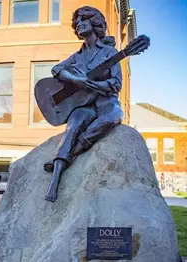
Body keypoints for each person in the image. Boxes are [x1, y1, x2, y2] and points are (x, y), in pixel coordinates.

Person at [44, 6, 124, 202]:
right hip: (85, 105)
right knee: (73, 124)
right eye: (77, 22)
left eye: (83, 21)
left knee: (111, 118)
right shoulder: (77, 57)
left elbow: (116, 83)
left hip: (106, 102)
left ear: (94, 23)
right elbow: (57, 69)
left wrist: (94, 84)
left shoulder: (109, 53)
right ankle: (54, 182)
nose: (78, 24)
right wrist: (74, 79)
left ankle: (72, 152)